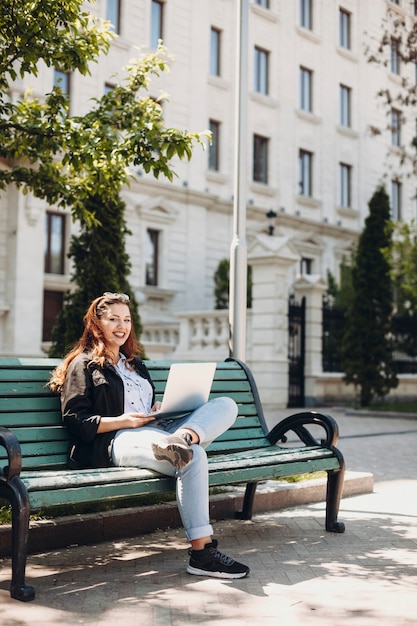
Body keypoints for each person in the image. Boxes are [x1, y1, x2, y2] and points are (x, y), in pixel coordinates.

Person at [49, 292, 250, 579]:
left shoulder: (135, 364)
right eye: (114, 319)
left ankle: (184, 437)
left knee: (226, 405)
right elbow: (74, 420)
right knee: (195, 457)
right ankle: (202, 554)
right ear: (97, 324)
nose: (122, 326)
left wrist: (158, 408)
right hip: (116, 440)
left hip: (156, 431)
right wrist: (122, 420)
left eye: (127, 320)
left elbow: (143, 408)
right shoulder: (84, 364)